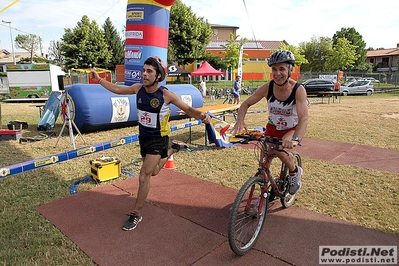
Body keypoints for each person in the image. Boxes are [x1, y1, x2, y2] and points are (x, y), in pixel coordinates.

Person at [90, 56, 211, 231]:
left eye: (149, 71)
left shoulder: (166, 95)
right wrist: (99, 80)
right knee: (153, 172)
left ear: (158, 75)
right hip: (143, 138)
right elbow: (116, 89)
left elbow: (187, 109)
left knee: (144, 176)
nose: (144, 74)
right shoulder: (137, 89)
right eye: (144, 70)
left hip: (158, 139)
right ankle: (172, 150)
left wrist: (201, 115)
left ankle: (136, 213)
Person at [231, 50, 308, 195]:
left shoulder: (298, 90)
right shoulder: (268, 87)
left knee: (280, 150)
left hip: (291, 129)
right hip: (272, 128)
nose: (277, 73)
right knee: (264, 161)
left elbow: (303, 118)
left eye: (282, 69)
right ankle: (264, 190)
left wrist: (296, 139)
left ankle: (294, 172)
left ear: (290, 69)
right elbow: (245, 104)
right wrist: (240, 121)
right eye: (274, 69)